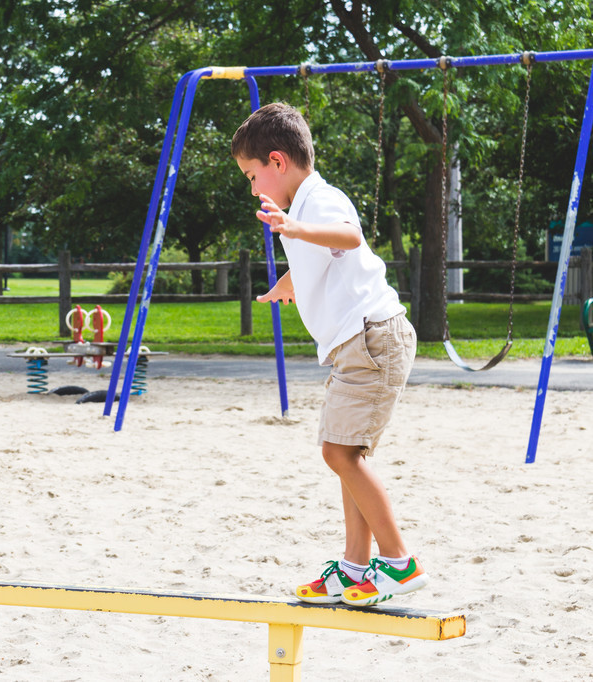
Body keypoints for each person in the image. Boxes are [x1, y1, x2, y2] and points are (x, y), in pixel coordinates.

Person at [231, 102, 428, 607]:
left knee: (337, 453)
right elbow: (322, 255)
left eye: (253, 176)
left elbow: (350, 236)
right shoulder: (301, 209)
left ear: (278, 161)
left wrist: (294, 231)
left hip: (372, 340)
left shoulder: (317, 201)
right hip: (358, 345)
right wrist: (286, 283)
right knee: (347, 455)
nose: (253, 188)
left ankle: (400, 563)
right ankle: (353, 568)